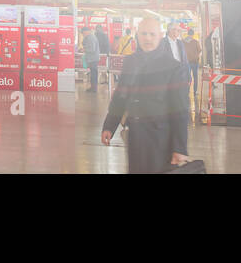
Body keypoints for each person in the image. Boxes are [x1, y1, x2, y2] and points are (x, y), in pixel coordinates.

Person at [101, 17, 193, 173]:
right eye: (144, 34)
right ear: (137, 35)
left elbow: (180, 110)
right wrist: (109, 126)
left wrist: (179, 147)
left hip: (161, 141)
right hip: (136, 136)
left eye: (152, 34)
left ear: (160, 35)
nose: (147, 38)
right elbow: (120, 96)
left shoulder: (173, 67)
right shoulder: (131, 61)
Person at [79, 27, 100, 91]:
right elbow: (84, 43)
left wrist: (84, 50)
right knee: (93, 73)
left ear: (86, 31)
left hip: (93, 59)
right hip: (92, 58)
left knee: (93, 74)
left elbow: (92, 49)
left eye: (83, 33)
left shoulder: (91, 38)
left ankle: (93, 88)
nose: (83, 35)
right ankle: (93, 88)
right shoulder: (89, 37)